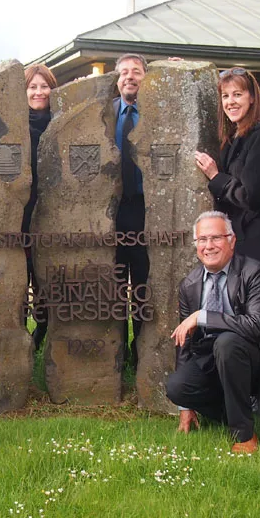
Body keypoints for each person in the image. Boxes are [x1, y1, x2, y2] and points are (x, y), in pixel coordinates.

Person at [166, 211, 260, 453]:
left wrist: (203, 316)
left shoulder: (254, 272)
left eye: (216, 238)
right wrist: (185, 407)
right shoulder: (189, 285)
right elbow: (184, 342)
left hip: (251, 356)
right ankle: (233, 409)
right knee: (177, 387)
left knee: (227, 344)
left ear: (232, 241)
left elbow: (256, 325)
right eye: (202, 240)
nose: (208, 246)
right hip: (211, 358)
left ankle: (243, 434)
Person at [195, 67, 260, 304]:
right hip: (242, 245)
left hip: (258, 247)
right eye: (225, 96)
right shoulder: (235, 136)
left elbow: (250, 196)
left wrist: (215, 176)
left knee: (259, 319)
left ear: (252, 97)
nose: (231, 102)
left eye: (237, 94)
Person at [113, 53, 150, 367]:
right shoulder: (104, 112)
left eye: (136, 71)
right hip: (110, 212)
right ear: (117, 79)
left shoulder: (155, 111)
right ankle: (114, 350)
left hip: (144, 210)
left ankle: (141, 347)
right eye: (124, 72)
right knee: (112, 281)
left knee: (142, 282)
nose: (129, 76)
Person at [22, 64, 57, 348]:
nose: (38, 92)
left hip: (53, 210)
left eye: (44, 86)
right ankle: (20, 334)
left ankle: (44, 329)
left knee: (47, 277)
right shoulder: (16, 125)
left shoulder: (61, 121)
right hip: (22, 211)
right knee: (22, 273)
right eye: (32, 87)